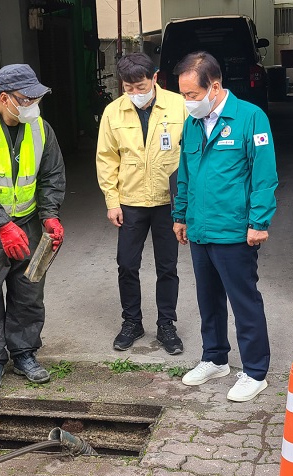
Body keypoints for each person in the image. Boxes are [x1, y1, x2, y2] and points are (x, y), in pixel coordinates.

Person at [172, 52, 278, 402]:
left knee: (243, 300)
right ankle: (215, 358)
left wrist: (258, 221)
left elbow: (264, 176)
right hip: (201, 228)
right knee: (208, 299)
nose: (187, 102)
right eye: (183, 94)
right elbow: (185, 174)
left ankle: (255, 371)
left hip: (235, 231)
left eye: (191, 94)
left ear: (214, 86)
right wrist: (180, 215)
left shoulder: (250, 118)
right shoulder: (192, 123)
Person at [0, 64, 66, 393]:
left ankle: (24, 352)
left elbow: (52, 175)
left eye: (36, 98)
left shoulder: (40, 128)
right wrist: (1, 224)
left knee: (29, 291)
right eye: (26, 99)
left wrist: (50, 214)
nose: (33, 104)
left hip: (27, 223)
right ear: (4, 98)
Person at [96, 53, 187, 354]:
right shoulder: (113, 112)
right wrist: (112, 201)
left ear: (155, 78)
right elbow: (107, 159)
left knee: (167, 266)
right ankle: (132, 322)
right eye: (128, 88)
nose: (134, 93)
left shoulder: (178, 105)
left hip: (167, 201)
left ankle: (166, 325)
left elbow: (191, 154)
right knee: (126, 264)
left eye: (140, 86)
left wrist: (186, 204)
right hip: (131, 201)